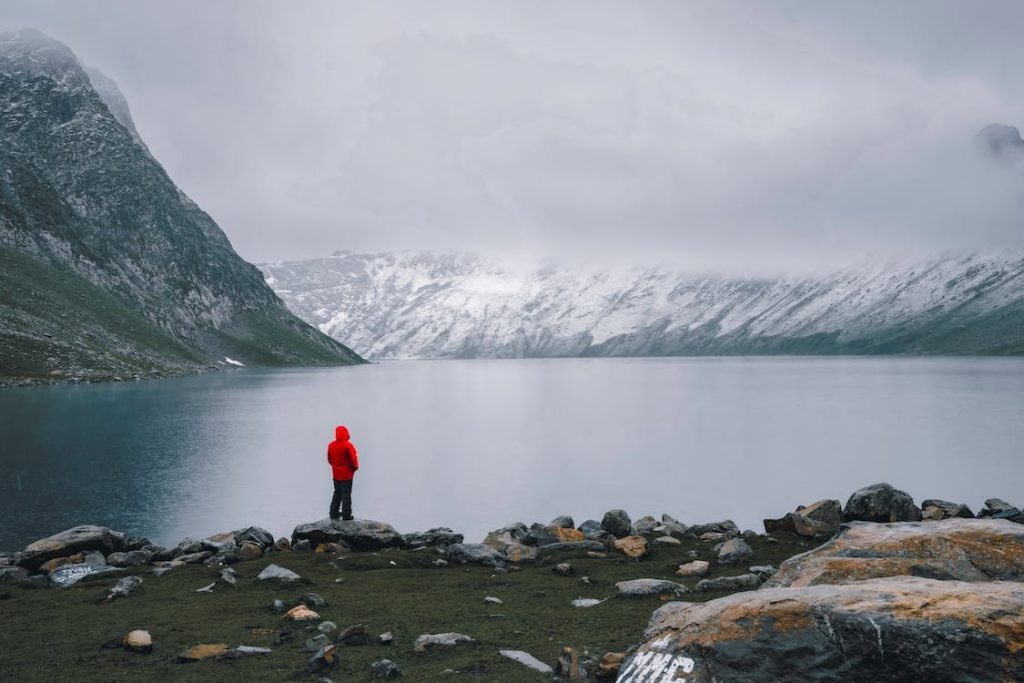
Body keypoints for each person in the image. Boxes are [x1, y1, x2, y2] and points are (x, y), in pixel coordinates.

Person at [327, 425, 359, 521]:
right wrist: (355, 468)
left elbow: (329, 459)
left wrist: (335, 467)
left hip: (336, 474)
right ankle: (346, 516)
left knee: (337, 493)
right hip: (347, 475)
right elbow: (353, 459)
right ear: (346, 434)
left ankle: (333, 513)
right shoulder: (348, 445)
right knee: (346, 495)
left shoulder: (331, 445)